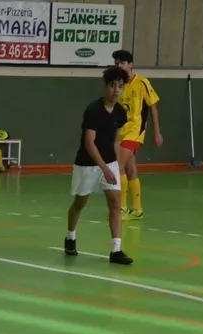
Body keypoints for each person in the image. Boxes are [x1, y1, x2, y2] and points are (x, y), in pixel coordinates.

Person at [64, 66, 133, 267]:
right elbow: (89, 143)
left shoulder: (120, 113)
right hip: (87, 164)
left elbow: (115, 140)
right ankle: (70, 236)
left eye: (120, 86)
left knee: (115, 202)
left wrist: (116, 165)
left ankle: (116, 250)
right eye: (112, 86)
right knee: (80, 203)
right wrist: (105, 168)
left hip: (109, 163)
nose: (116, 90)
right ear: (105, 86)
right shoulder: (93, 111)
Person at [112, 50, 162, 221]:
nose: (119, 66)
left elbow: (153, 106)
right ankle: (138, 210)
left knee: (118, 165)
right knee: (130, 169)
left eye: (122, 63)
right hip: (121, 131)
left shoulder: (142, 82)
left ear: (131, 64)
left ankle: (122, 208)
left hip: (135, 131)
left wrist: (156, 131)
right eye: (117, 63)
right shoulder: (118, 85)